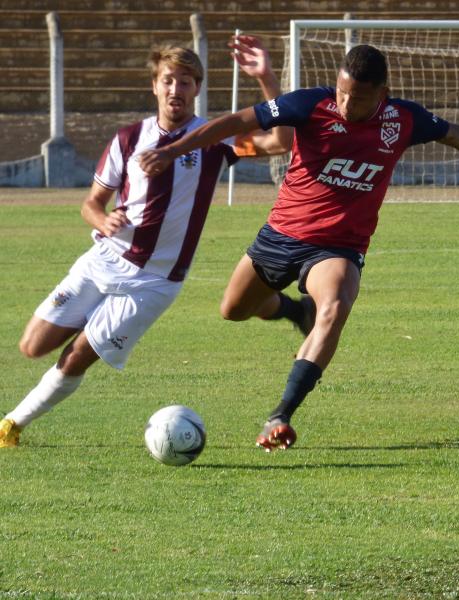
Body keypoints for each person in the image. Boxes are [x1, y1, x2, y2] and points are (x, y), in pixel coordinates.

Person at [138, 43, 459, 452]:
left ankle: (280, 415)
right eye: (342, 93)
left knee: (335, 307)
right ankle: (294, 311)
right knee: (232, 310)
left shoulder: (402, 119)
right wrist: (174, 150)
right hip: (280, 235)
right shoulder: (310, 103)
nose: (346, 105)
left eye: (357, 98)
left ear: (382, 93)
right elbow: (237, 123)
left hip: (338, 248)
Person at [0, 38, 290, 448]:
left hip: (154, 282)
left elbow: (282, 141)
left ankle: (11, 425)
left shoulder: (213, 138)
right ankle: (92, 320)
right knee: (33, 346)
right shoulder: (128, 138)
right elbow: (91, 204)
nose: (176, 90)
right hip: (104, 260)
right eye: (168, 81)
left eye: (185, 82)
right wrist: (104, 218)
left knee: (78, 356)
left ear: (197, 89)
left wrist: (265, 77)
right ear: (155, 86)